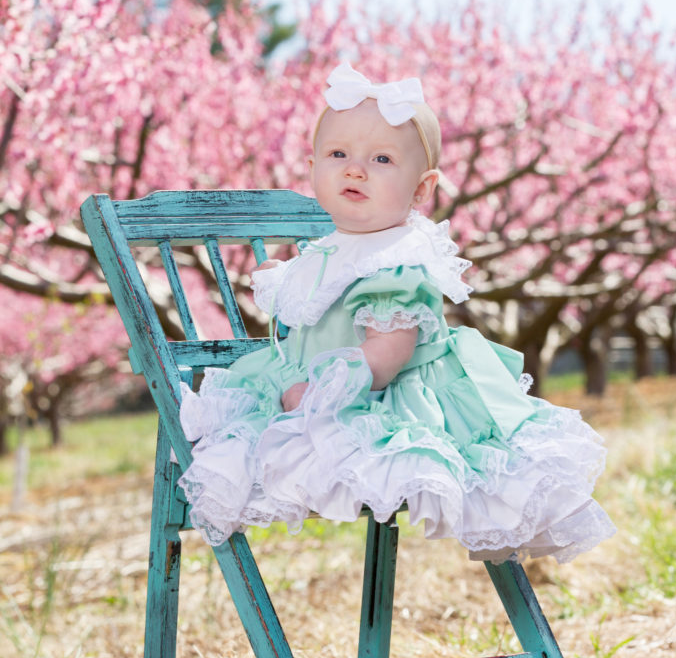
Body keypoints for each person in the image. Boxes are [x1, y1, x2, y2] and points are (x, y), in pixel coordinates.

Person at [178, 61, 616, 562]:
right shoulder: (330, 251)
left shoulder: (397, 263)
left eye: (382, 159)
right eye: (337, 153)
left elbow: (387, 353)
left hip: (380, 394)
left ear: (422, 189)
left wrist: (322, 393)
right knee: (242, 436)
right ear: (313, 167)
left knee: (382, 452)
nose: (355, 169)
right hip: (310, 384)